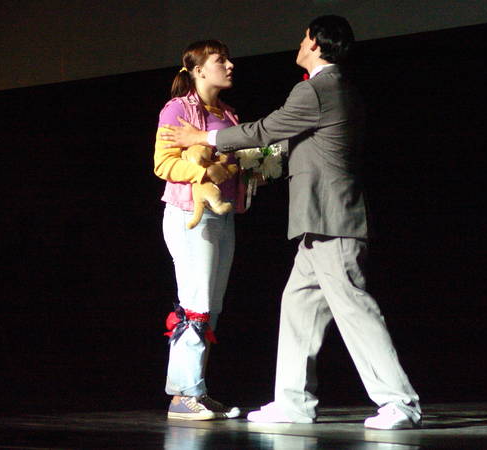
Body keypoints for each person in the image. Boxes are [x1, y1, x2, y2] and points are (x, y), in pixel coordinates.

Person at [160, 16, 422, 430]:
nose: (299, 44)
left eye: (303, 38)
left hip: (332, 219)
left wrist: (204, 139)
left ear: (315, 43)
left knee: (354, 308)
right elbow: (283, 145)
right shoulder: (334, 89)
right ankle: (292, 403)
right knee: (297, 309)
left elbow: (267, 130)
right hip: (314, 222)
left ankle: (400, 402)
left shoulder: (317, 88)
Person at [153, 39, 243, 421]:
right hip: (190, 214)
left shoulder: (228, 113)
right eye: (221, 60)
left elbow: (234, 158)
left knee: (212, 304)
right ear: (199, 70)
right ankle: (182, 395)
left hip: (223, 214)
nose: (230, 65)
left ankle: (197, 390)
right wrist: (203, 172)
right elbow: (163, 163)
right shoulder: (178, 108)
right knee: (196, 301)